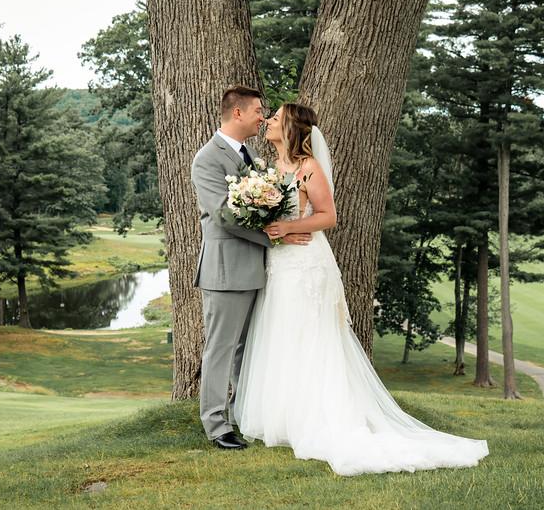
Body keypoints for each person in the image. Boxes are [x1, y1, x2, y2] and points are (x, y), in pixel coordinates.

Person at [234, 102, 490, 475]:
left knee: (312, 337)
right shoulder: (269, 170)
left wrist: (289, 228)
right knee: (283, 334)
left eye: (276, 118)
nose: (269, 121)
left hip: (306, 265)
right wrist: (267, 227)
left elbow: (329, 216)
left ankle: (320, 418)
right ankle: (285, 417)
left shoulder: (309, 168)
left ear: (291, 128)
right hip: (279, 263)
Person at [190, 86, 311, 450]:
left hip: (259, 269)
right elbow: (224, 215)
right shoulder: (207, 159)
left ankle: (243, 415)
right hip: (226, 270)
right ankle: (217, 426)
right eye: (259, 111)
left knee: (248, 349)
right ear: (238, 113)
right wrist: (276, 237)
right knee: (221, 348)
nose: (263, 117)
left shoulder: (252, 156)